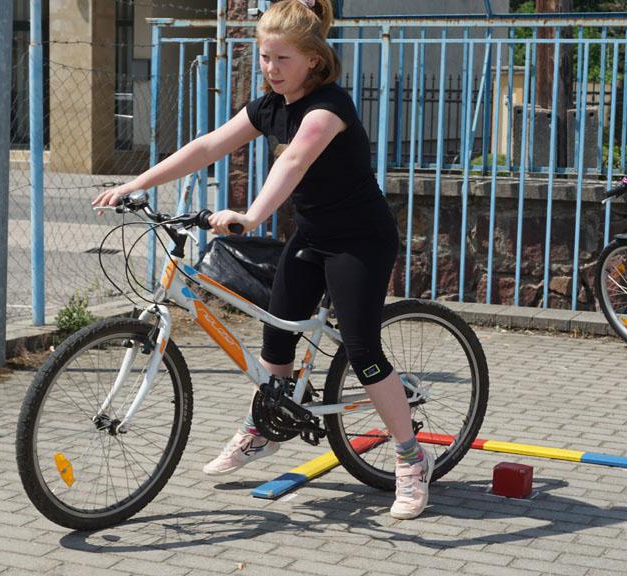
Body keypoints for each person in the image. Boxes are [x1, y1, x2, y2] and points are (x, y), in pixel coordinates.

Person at [93, 0, 433, 520]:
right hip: (312, 235)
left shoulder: (328, 108)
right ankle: (267, 427)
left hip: (359, 242)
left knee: (363, 352)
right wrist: (135, 184)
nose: (270, 69)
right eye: (264, 57)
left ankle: (411, 459)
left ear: (313, 60)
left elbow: (293, 161)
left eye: (281, 59)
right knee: (276, 336)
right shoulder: (269, 106)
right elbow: (207, 146)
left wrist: (251, 216)